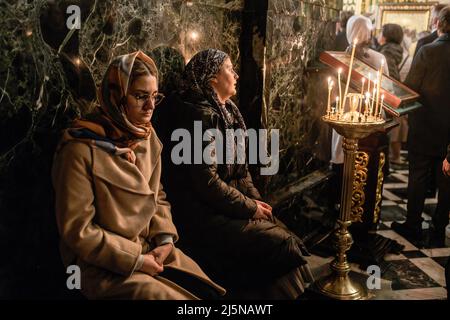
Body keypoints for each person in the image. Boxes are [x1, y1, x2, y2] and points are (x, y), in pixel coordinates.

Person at [52, 51, 225, 300]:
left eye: (155, 96)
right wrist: (136, 260)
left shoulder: (146, 136)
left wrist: (165, 238)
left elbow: (157, 195)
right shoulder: (79, 149)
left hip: (152, 250)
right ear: (117, 96)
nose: (151, 106)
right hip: (104, 264)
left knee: (206, 293)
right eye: (141, 96)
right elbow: (78, 232)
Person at [158, 49, 313, 299]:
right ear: (212, 79)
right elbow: (206, 183)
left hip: (223, 206)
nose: (237, 75)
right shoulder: (198, 116)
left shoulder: (228, 111)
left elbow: (242, 172)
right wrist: (249, 208)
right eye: (230, 69)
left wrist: (256, 204)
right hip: (200, 215)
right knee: (279, 243)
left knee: (279, 230)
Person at [392, 6, 450, 247]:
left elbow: (410, 87)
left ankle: (413, 225)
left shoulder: (428, 51)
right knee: (447, 181)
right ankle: (438, 229)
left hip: (425, 125)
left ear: (439, 23)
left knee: (417, 176)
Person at [378, 23, 408, 165]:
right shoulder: (397, 51)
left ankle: (388, 161)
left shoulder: (386, 54)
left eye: (381, 33)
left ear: (385, 37)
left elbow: (390, 79)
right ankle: (393, 157)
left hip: (388, 97)